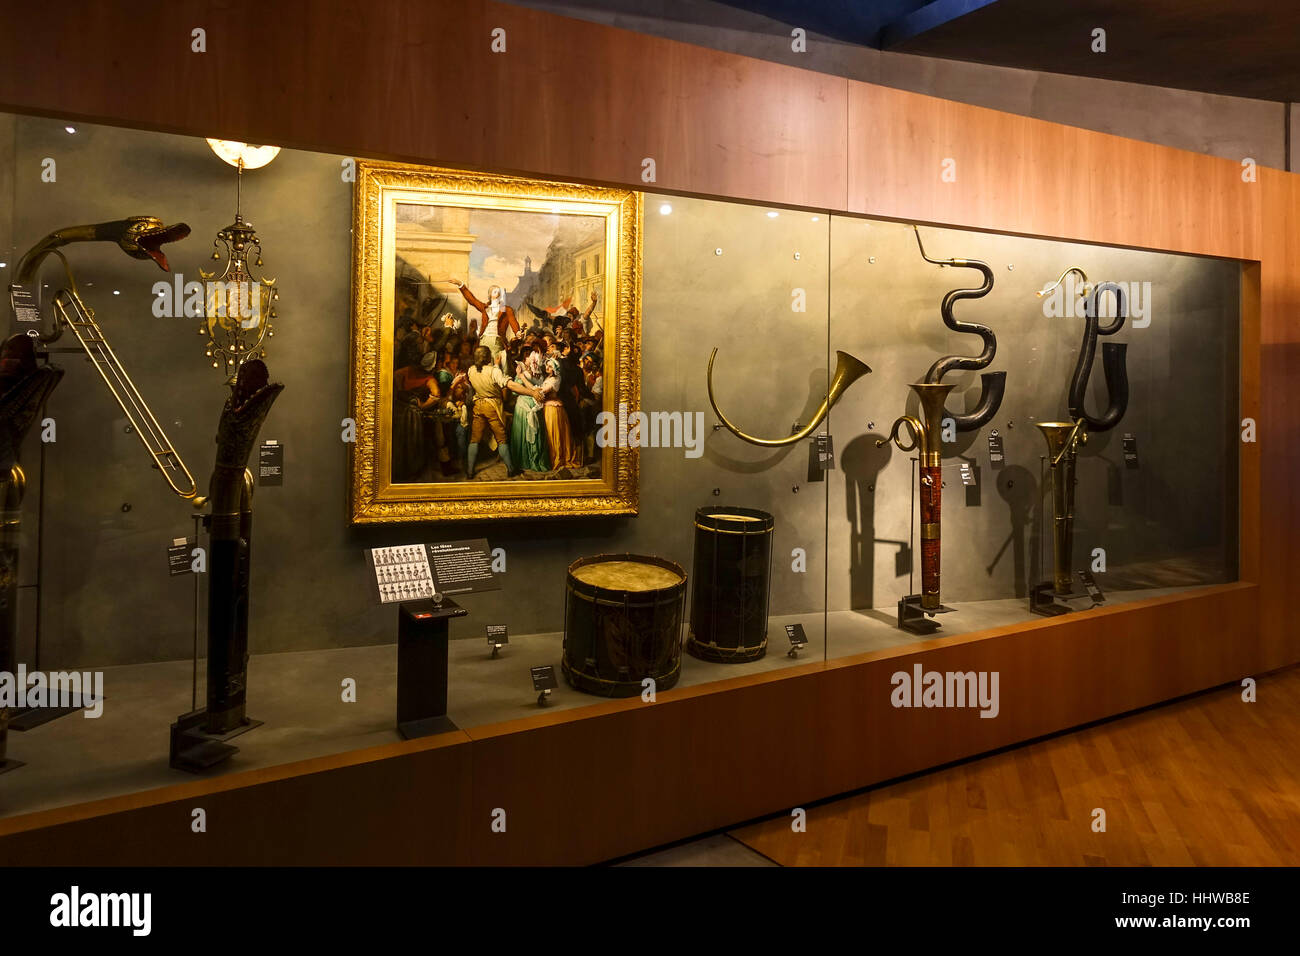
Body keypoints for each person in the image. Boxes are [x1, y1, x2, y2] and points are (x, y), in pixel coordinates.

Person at [466, 345, 542, 478]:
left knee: (474, 439)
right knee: (501, 438)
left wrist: (495, 366)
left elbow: (484, 375)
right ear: (487, 357)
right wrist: (532, 392)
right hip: (492, 406)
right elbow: (511, 385)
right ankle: (511, 469)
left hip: (478, 405)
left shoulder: (471, 370)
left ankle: (470, 471)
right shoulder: (493, 371)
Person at [450, 279, 520, 363]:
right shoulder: (484, 308)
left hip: (496, 340)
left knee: (496, 363)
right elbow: (472, 300)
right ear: (490, 295)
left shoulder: (507, 310)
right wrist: (461, 285)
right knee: (483, 363)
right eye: (495, 291)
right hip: (484, 339)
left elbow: (513, 321)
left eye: (499, 292)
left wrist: (517, 332)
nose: (497, 293)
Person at [509, 351, 549, 473]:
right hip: (535, 406)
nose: (526, 360)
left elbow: (515, 391)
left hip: (524, 405)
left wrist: (519, 376)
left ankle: (525, 459)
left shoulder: (524, 374)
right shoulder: (540, 375)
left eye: (527, 358)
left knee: (525, 431)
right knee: (534, 431)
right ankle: (535, 459)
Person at [541, 355, 581, 470]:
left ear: (555, 368)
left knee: (555, 434)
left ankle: (558, 458)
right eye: (547, 366)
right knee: (550, 434)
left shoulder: (555, 379)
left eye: (550, 366)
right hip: (549, 407)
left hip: (553, 410)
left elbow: (543, 392)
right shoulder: (549, 378)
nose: (547, 368)